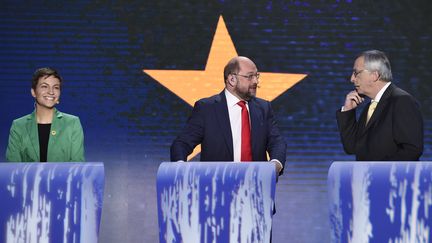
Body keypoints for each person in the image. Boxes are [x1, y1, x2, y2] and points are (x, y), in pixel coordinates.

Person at [170, 56, 286, 175]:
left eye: (257, 76)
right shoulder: (206, 108)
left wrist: (275, 164)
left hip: (257, 185)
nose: (255, 81)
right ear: (232, 79)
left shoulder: (264, 108)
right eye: (250, 76)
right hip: (216, 185)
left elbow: (276, 141)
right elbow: (182, 143)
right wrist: (180, 168)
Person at [336, 50, 423, 161]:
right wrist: (348, 111)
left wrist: (380, 173)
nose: (352, 79)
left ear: (374, 75)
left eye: (356, 73)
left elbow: (412, 150)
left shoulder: (402, 101)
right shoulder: (370, 107)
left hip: (388, 178)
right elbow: (351, 147)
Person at [6, 67, 85, 162]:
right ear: (33, 92)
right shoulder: (18, 126)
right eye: (44, 86)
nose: (51, 92)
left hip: (62, 177)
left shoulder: (72, 123)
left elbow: (77, 167)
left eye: (56, 87)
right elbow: (13, 168)